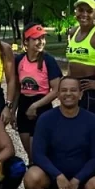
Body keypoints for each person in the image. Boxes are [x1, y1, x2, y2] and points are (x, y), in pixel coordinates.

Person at [22, 77, 95, 189]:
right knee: (31, 177)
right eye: (64, 90)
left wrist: (77, 179)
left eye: (73, 90)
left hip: (82, 177)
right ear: (57, 94)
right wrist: (58, 175)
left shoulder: (93, 121)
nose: (68, 94)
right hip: (52, 176)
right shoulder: (46, 119)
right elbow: (38, 154)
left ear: (80, 94)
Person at [11, 23, 63, 161]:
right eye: (36, 38)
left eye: (43, 38)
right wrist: (13, 111)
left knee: (38, 154)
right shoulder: (19, 60)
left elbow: (56, 90)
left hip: (42, 107)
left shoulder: (48, 60)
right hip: (23, 106)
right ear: (26, 41)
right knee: (30, 155)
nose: (41, 42)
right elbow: (17, 88)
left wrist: (35, 106)